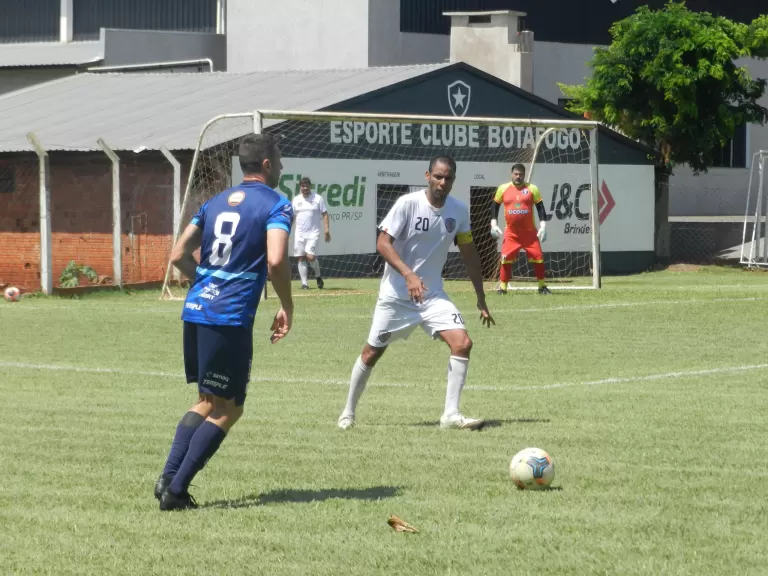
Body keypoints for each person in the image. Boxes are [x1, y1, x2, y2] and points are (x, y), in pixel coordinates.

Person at [155, 133, 294, 511]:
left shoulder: (215, 202)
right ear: (266, 165)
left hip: (197, 309)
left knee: (205, 399)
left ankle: (168, 477)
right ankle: (177, 491)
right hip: (228, 318)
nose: (281, 166)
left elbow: (178, 254)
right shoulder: (277, 204)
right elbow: (277, 260)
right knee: (229, 408)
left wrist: (206, 279)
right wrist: (287, 306)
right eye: (279, 161)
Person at [337, 155, 495, 431]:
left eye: (448, 178)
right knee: (371, 353)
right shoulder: (407, 204)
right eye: (438, 176)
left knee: (463, 344)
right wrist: (408, 274)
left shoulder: (458, 211)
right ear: (427, 176)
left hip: (433, 296)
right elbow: (383, 243)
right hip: (397, 296)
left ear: (453, 180)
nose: (442, 182)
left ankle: (450, 415)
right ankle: (348, 412)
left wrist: (480, 296)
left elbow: (469, 253)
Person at [489, 163, 551, 295]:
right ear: (512, 174)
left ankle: (541, 287)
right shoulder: (503, 188)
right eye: (516, 174)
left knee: (539, 258)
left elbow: (540, 208)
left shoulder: (532, 189)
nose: (518, 176)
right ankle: (503, 288)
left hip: (529, 233)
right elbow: (495, 206)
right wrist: (493, 224)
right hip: (511, 233)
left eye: (521, 174)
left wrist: (543, 226)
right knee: (506, 259)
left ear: (524, 175)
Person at [292, 176, 331, 290]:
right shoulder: (296, 200)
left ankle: (318, 276)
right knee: (300, 257)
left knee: (310, 256)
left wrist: (326, 230)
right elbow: (292, 217)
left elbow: (325, 214)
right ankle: (305, 284)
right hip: (299, 234)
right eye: (303, 186)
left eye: (307, 186)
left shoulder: (318, 199)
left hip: (313, 233)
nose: (305, 188)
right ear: (300, 187)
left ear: (310, 186)